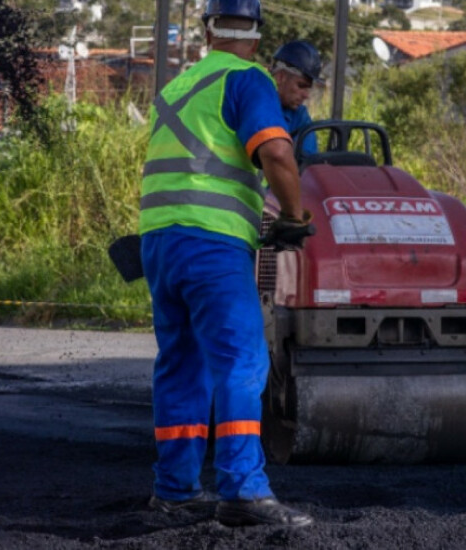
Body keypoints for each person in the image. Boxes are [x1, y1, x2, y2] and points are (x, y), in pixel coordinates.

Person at [138, 0, 315, 528]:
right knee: (241, 363)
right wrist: (294, 216)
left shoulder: (172, 90)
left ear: (207, 30)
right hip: (211, 243)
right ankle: (242, 490)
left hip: (159, 244)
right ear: (258, 40)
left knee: (181, 365)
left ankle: (174, 491)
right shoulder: (246, 79)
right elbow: (278, 154)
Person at [269, 40, 323, 156]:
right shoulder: (253, 105)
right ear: (280, 77)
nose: (306, 95)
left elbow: (308, 160)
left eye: (308, 88)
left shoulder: (299, 115)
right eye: (301, 86)